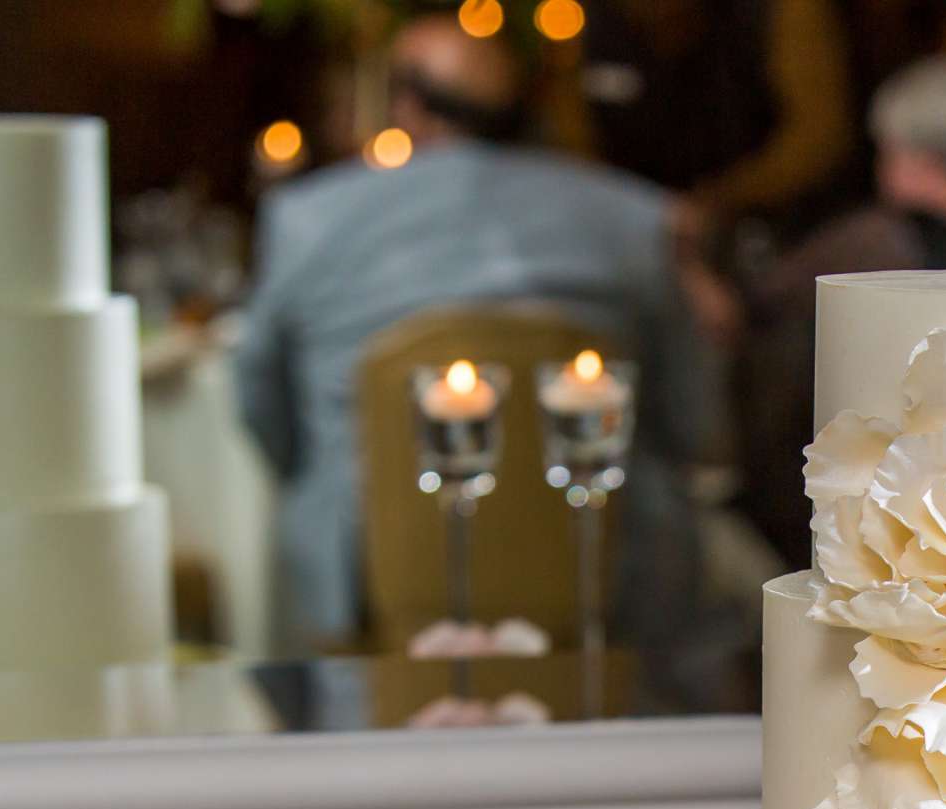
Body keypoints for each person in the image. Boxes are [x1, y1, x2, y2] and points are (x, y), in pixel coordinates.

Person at [234, 14, 717, 668]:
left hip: (365, 577)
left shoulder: (306, 220)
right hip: (610, 579)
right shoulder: (633, 219)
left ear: (404, 105)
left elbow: (260, 404)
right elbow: (695, 421)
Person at [736, 55, 946, 563]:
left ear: (920, 156)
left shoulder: (878, 240)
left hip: (881, 495)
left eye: (887, 151)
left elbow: (757, 303)